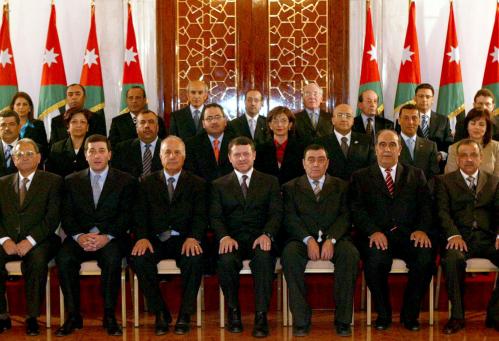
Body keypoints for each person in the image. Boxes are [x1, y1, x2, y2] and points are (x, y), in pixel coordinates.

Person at [350, 129, 434, 331]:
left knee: (425, 257)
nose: (387, 149)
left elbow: (426, 206)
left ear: (400, 149)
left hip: (408, 235)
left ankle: (410, 314)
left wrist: (422, 229)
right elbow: (356, 209)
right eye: (382, 144)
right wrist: (372, 231)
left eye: (392, 145)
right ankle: (384, 312)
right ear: (375, 148)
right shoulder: (360, 176)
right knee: (376, 260)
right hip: (376, 235)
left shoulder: (415, 174)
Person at [56, 134, 137, 337]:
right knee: (64, 259)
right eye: (92, 151)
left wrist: (106, 236)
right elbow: (66, 215)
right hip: (80, 237)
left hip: (111, 238)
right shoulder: (71, 181)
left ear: (110, 154)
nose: (97, 155)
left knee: (112, 259)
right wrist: (78, 236)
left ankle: (109, 315)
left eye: (101, 151)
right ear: (85, 155)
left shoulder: (125, 180)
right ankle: (73, 315)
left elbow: (126, 215)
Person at [130, 136, 207, 335]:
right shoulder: (146, 182)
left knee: (195, 258)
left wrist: (194, 237)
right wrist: (142, 237)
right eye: (167, 152)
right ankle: (160, 312)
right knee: (139, 258)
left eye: (177, 152)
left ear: (184, 156)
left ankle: (184, 315)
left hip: (184, 239)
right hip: (155, 238)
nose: (172, 156)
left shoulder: (197, 183)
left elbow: (201, 215)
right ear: (160, 155)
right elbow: (139, 214)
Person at [281, 144, 359, 337]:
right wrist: (308, 240)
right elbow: (290, 218)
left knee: (350, 254)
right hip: (301, 239)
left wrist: (331, 239)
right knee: (289, 255)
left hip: (336, 238)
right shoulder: (290, 187)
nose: (316, 164)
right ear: (303, 163)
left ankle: (342, 320)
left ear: (328, 163)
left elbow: (346, 217)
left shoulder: (341, 186)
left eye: (321, 159)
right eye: (311, 159)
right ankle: (301, 320)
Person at [211, 136, 282, 337]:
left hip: (260, 238)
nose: (242, 158)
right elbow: (215, 216)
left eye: (246, 154)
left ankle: (261, 316)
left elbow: (276, 213)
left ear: (254, 156)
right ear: (230, 158)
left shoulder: (269, 181)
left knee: (263, 258)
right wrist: (224, 237)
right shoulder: (218, 184)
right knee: (225, 261)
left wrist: (267, 234)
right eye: (237, 155)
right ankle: (234, 313)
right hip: (231, 239)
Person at [436, 139, 499, 334]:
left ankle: (495, 313)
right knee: (453, 260)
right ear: (457, 158)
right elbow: (442, 213)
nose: (468, 159)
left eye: (473, 155)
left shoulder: (494, 181)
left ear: (481, 158)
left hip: (487, 238)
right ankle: (457, 316)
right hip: (459, 238)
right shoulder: (444, 181)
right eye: (463, 155)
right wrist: (453, 235)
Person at [0, 139, 62, 336]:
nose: (24, 158)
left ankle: (32, 317)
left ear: (38, 157)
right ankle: (2, 314)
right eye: (19, 154)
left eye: (28, 154)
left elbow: (52, 218)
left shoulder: (53, 181)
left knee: (36, 260)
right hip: (8, 240)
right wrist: (4, 240)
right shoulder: (2, 183)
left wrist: (30, 240)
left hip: (41, 239)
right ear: (13, 159)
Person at [316, 103, 375, 181]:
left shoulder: (366, 141)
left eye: (348, 116)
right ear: (333, 120)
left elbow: (371, 167)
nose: (344, 119)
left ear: (353, 121)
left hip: (359, 189)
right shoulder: (321, 143)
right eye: (340, 115)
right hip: (331, 189)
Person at [254, 106, 304, 185]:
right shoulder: (260, 149)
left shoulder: (301, 149)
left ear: (290, 125)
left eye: (283, 121)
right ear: (270, 125)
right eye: (275, 121)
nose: (279, 124)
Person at [184, 103, 234, 182]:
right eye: (209, 118)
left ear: (225, 121)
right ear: (203, 124)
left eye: (218, 117)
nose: (214, 121)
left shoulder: (236, 142)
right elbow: (191, 174)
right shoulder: (191, 145)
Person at [445, 108, 499, 177]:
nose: (477, 127)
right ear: (467, 126)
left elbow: (497, 178)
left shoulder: (496, 147)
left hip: (489, 187)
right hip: (459, 187)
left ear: (487, 128)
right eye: (473, 123)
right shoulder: (454, 148)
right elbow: (451, 177)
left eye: (481, 125)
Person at [410, 83, 453, 164]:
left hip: (436, 166)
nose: (424, 99)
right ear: (415, 98)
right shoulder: (406, 119)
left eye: (428, 97)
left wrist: (441, 154)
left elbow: (449, 143)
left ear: (433, 99)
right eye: (421, 96)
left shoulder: (443, 120)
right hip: (412, 165)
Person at [112, 110, 162, 179]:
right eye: (142, 122)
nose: (147, 126)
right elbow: (115, 176)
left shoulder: (168, 148)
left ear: (157, 127)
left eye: (151, 122)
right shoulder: (122, 149)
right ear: (136, 129)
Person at [397, 104, 440, 183]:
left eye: (414, 118)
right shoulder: (392, 145)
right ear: (399, 120)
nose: (410, 122)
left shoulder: (430, 146)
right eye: (406, 118)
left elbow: (434, 176)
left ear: (419, 120)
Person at [45, 108, 90, 178]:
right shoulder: (56, 148)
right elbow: (51, 176)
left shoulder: (93, 148)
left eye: (83, 122)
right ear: (68, 127)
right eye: (74, 122)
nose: (79, 125)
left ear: (87, 127)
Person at [10, 92, 48, 159]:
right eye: (18, 104)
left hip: (33, 163)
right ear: (13, 107)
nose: (21, 107)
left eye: (25, 104)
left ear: (30, 108)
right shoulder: (7, 126)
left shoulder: (38, 125)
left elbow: (44, 149)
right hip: (11, 164)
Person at [0, 110, 21, 177]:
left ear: (19, 127)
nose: (7, 128)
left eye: (11, 124)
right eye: (3, 125)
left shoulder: (33, 149)